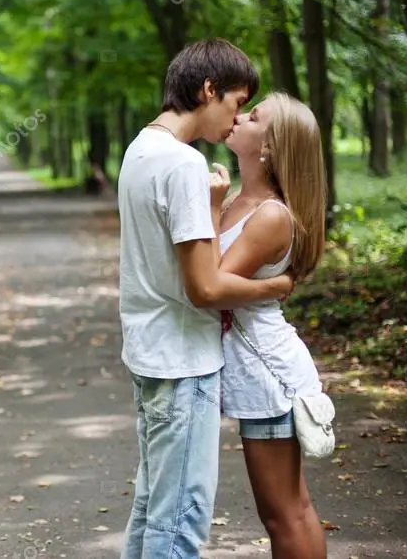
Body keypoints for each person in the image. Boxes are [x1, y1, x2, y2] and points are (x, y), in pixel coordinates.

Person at [117, 39, 295, 559]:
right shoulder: (185, 164)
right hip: (183, 362)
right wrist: (271, 287)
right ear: (209, 90)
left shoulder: (140, 149)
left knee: (152, 508)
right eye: (237, 103)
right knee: (179, 523)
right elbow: (206, 288)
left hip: (147, 352)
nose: (236, 119)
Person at [216, 92, 328, 558]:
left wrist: (208, 204)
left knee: (285, 513)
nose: (238, 116)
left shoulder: (269, 215)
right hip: (257, 368)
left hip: (268, 378)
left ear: (269, 147)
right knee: (288, 509)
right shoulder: (242, 202)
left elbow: (208, 283)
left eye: (253, 115)